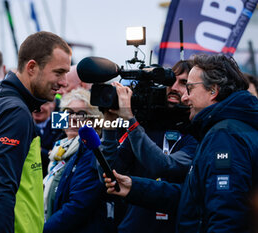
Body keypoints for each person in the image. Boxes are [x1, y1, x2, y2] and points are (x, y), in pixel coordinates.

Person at [105, 54, 258, 233]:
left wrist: (130, 119)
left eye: (189, 88)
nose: (185, 97)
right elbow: (193, 199)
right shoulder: (227, 129)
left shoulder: (225, 136)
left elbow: (226, 212)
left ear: (213, 90)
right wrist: (134, 187)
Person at [0, 31, 72, 233]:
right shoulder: (14, 112)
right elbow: (1, 191)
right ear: (32, 68)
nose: (64, 82)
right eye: (58, 72)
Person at [101, 60, 198, 233]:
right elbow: (109, 174)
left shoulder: (196, 134)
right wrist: (109, 127)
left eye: (184, 83)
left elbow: (165, 166)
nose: (174, 87)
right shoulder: (143, 127)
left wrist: (130, 120)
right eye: (170, 80)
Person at [43, 87, 110, 233]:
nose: (73, 118)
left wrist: (42, 229)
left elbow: (79, 206)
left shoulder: (92, 151)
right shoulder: (58, 149)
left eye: (81, 114)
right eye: (69, 112)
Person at [32, 100, 65, 177]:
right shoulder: (23, 122)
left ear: (53, 105)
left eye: (44, 104)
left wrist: (39, 150)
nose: (39, 108)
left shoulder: (60, 121)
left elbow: (61, 156)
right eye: (35, 103)